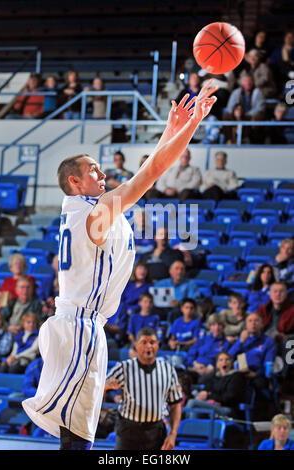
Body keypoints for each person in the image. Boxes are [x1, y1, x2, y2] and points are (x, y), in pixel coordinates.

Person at [22, 80, 218, 450]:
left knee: (78, 432)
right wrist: (193, 124)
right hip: (79, 326)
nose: (103, 175)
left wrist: (171, 128)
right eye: (94, 171)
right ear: (74, 181)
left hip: (79, 325)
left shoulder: (82, 212)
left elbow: (148, 168)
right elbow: (151, 172)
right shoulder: (93, 214)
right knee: (77, 436)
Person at [105, 327, 183, 450]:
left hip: (156, 431)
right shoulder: (124, 367)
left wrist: (173, 434)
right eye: (144, 342)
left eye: (152, 342)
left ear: (158, 345)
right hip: (128, 430)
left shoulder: (168, 370)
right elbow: (99, 390)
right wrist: (106, 386)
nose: (148, 346)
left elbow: (175, 405)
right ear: (136, 345)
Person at [186, 351, 247, 417]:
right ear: (217, 364)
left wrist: (209, 396)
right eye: (221, 360)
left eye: (227, 359)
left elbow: (229, 398)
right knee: (195, 407)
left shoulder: (237, 376)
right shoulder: (215, 377)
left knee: (193, 403)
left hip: (227, 408)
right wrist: (202, 394)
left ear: (231, 362)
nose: (224, 362)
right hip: (212, 405)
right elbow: (206, 389)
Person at [228, 313, 276, 393]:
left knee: (258, 384)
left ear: (261, 325)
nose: (253, 323)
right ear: (246, 325)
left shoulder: (268, 342)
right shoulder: (241, 339)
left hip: (258, 374)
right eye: (250, 321)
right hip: (240, 372)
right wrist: (240, 342)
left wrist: (256, 373)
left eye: (256, 321)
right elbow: (229, 357)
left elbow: (268, 363)